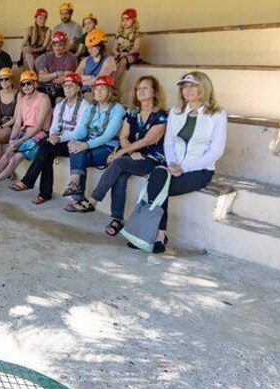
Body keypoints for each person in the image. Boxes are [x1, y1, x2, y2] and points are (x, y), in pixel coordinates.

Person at [142, 71, 227, 253]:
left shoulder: (217, 115)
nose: (187, 90)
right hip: (173, 167)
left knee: (157, 187)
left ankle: (152, 233)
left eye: (192, 85)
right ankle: (158, 234)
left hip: (199, 171)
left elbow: (216, 151)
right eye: (184, 86)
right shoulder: (176, 112)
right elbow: (169, 142)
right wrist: (172, 163)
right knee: (158, 175)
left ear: (203, 87)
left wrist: (184, 167)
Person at [89, 75, 168, 237]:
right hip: (132, 157)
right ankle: (116, 219)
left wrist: (120, 153)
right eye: (138, 88)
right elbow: (123, 136)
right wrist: (131, 152)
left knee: (117, 164)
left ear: (155, 92)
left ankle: (92, 200)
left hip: (151, 159)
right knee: (121, 175)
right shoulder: (132, 112)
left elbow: (149, 140)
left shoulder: (160, 116)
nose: (141, 91)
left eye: (145, 88)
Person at [10, 73, 89, 204]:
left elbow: (80, 132)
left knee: (46, 150)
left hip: (75, 142)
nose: (68, 89)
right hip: (59, 140)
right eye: (65, 86)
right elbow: (54, 126)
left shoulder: (84, 105)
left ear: (78, 88)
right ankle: (43, 193)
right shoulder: (60, 105)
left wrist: (60, 138)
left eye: (71, 86)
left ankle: (30, 183)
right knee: (46, 150)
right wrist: (52, 136)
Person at [0, 70, 51, 193]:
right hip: (25, 131)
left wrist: (20, 141)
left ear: (35, 84)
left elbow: (39, 126)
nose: (26, 87)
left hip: (39, 134)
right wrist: (13, 140)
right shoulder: (22, 101)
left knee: (14, 159)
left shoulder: (43, 98)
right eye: (23, 84)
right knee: (7, 154)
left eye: (29, 83)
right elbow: (18, 124)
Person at [63, 75, 126, 212]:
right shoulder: (91, 108)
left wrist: (85, 145)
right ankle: (75, 185)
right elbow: (80, 131)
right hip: (89, 145)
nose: (98, 92)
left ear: (111, 91)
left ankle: (76, 190)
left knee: (80, 151)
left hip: (108, 148)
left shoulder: (117, 109)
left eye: (102, 88)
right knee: (77, 146)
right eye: (96, 89)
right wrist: (71, 140)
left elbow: (107, 136)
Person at [77, 30, 117, 101]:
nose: (89, 50)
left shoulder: (109, 60)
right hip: (84, 91)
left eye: (92, 47)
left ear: (100, 47)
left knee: (85, 99)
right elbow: (76, 78)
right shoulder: (85, 60)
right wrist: (91, 77)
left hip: (101, 92)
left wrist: (83, 79)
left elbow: (98, 81)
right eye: (88, 48)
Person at [37, 31, 78, 101]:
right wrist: (56, 74)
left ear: (65, 45)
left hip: (62, 88)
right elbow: (40, 77)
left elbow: (63, 79)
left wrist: (48, 78)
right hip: (46, 87)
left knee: (58, 100)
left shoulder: (71, 57)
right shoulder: (49, 57)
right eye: (54, 45)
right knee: (37, 98)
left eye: (60, 45)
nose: (57, 48)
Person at [113, 8, 143, 75]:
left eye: (127, 19)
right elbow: (114, 47)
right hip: (119, 54)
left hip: (131, 55)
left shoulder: (136, 34)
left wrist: (126, 53)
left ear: (134, 20)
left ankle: (115, 80)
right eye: (122, 20)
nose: (124, 22)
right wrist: (115, 52)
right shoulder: (118, 34)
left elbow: (136, 49)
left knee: (123, 61)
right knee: (109, 60)